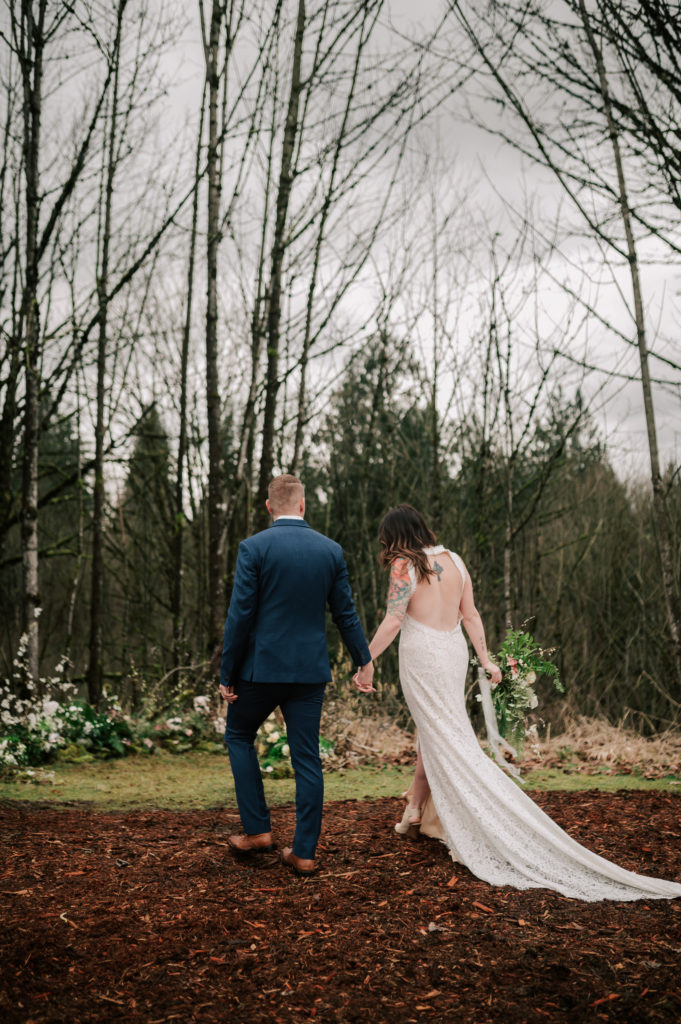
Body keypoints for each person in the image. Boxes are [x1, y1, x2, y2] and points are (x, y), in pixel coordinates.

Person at [356, 503, 681, 901]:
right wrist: (486, 659)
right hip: (453, 653)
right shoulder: (455, 561)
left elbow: (393, 620)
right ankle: (415, 809)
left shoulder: (403, 566)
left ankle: (471, 816)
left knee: (443, 734)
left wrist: (366, 661)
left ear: (395, 537)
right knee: (440, 730)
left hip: (422, 657)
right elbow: (471, 615)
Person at [220, 474, 374, 876]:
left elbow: (240, 616)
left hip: (260, 670)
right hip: (308, 673)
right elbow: (345, 614)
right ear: (303, 505)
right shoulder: (330, 551)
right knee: (306, 757)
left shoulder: (254, 547)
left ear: (269, 507)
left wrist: (227, 672)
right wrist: (364, 659)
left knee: (238, 735)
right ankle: (304, 852)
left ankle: (258, 830)